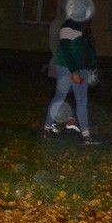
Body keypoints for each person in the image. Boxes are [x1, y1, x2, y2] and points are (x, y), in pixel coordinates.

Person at [43, 8, 98, 144]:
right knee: (59, 97)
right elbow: (66, 51)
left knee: (82, 101)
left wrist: (92, 67)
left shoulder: (85, 30)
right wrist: (74, 71)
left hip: (82, 69)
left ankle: (86, 135)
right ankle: (47, 128)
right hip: (67, 68)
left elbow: (88, 50)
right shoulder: (68, 27)